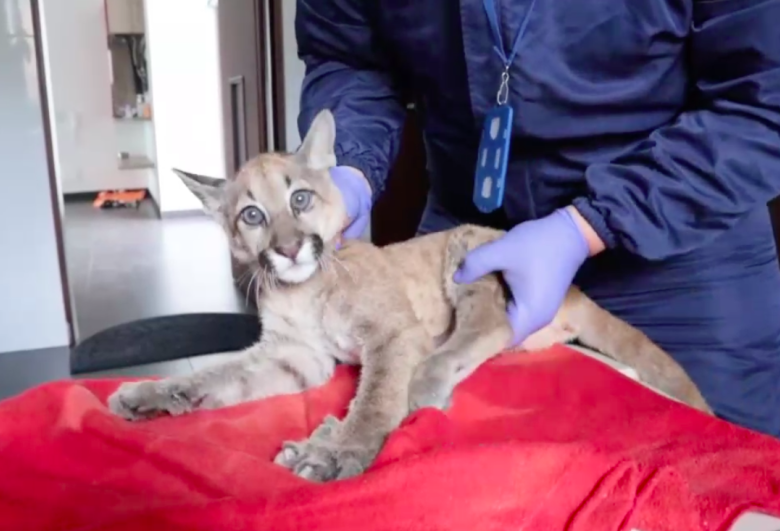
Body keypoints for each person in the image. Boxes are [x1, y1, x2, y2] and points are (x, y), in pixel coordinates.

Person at [295, 1, 780, 436]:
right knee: (424, 486)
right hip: (464, 253)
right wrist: (348, 168)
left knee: (720, 493)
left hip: (678, 253)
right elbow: (348, 57)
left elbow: (762, 102)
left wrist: (586, 228)